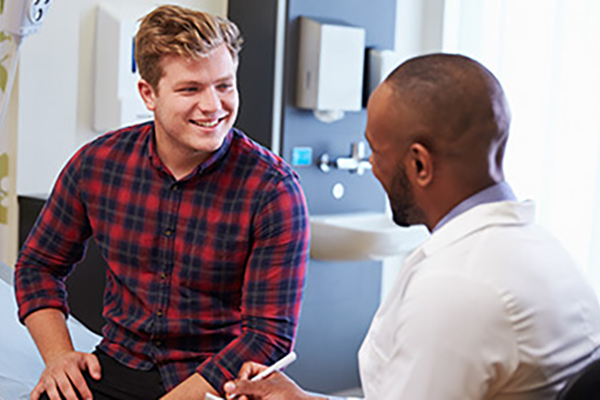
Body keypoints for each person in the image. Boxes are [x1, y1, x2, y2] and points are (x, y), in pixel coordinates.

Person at [223, 54, 600, 400]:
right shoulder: (542, 248)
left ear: (419, 164)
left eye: (375, 150)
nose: (371, 165)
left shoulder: (456, 285)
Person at [14, 5, 309, 400]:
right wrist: (59, 357)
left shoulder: (272, 191)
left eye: (224, 85)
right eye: (191, 89)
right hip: (117, 366)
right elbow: (37, 266)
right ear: (148, 94)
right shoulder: (98, 165)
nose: (213, 106)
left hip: (217, 381)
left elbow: (268, 335)